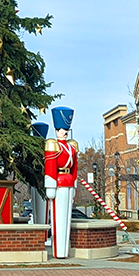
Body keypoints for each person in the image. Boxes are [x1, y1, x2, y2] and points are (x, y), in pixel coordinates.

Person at [44, 107, 78, 259]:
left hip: (68, 181)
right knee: (58, 219)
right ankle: (58, 251)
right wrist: (50, 185)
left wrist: (75, 183)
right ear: (56, 131)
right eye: (61, 129)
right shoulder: (53, 144)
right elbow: (50, 166)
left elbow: (75, 166)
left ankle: (64, 251)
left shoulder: (71, 146)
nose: (64, 132)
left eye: (65, 129)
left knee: (66, 219)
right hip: (58, 182)